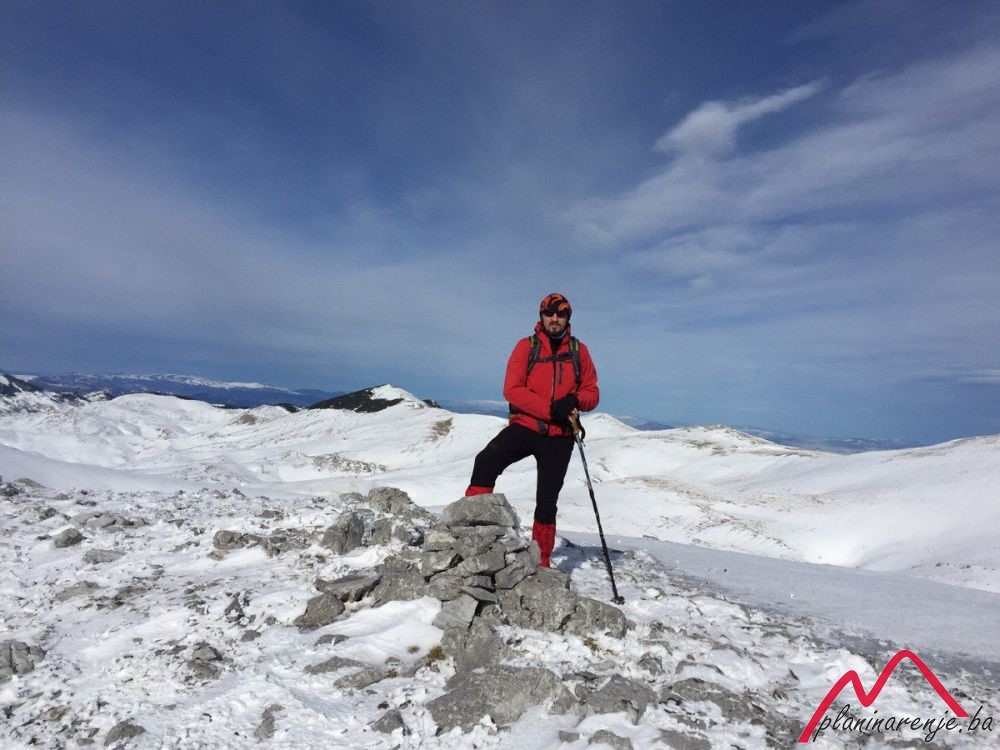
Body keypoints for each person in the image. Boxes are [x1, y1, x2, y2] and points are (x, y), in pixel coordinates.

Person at [464, 292, 600, 567]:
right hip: (525, 427)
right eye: (549, 313)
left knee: (547, 502)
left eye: (560, 314)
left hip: (560, 436)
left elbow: (592, 393)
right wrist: (550, 409)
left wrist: (574, 399)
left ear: (567, 318)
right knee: (486, 462)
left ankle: (542, 561)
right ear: (541, 316)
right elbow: (512, 390)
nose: (554, 319)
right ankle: (475, 534)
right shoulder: (526, 347)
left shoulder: (579, 351)